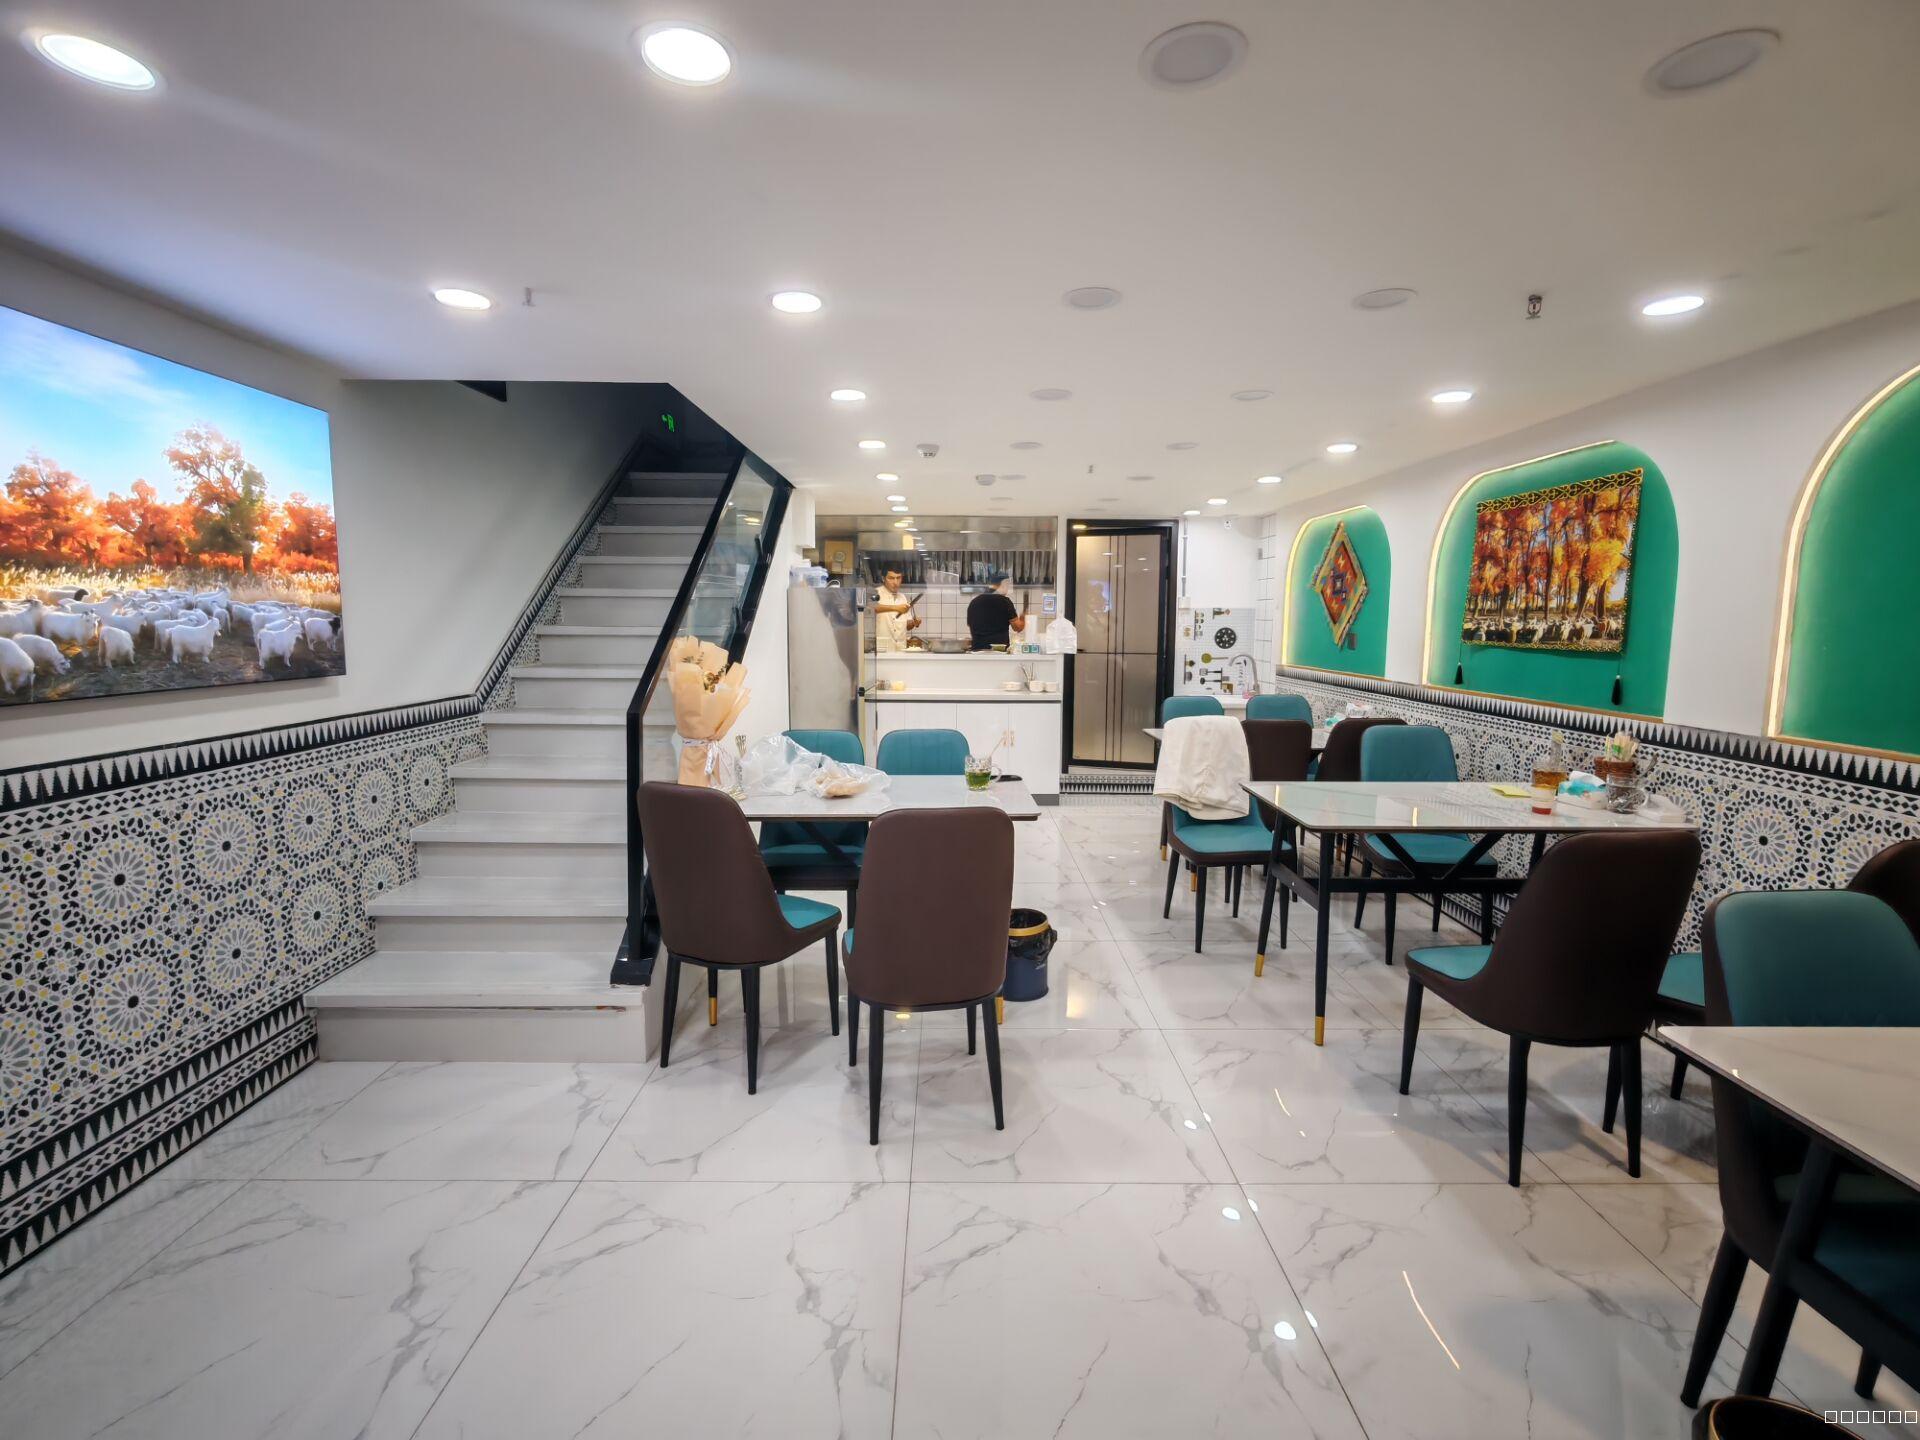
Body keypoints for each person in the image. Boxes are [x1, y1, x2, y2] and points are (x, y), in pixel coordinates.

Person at [966, 571, 1025, 651]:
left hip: (977, 651)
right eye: (1008, 585)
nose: (1008, 589)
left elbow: (970, 625)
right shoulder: (1005, 602)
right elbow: (1017, 627)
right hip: (998, 652)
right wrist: (1023, 617)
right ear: (1004, 584)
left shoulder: (974, 602)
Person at [873, 567, 919, 651]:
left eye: (898, 578)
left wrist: (913, 623)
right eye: (891, 578)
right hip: (883, 650)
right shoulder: (876, 592)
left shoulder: (902, 597)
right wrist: (896, 608)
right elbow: (873, 607)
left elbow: (907, 626)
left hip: (901, 649)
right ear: (883, 578)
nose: (895, 582)